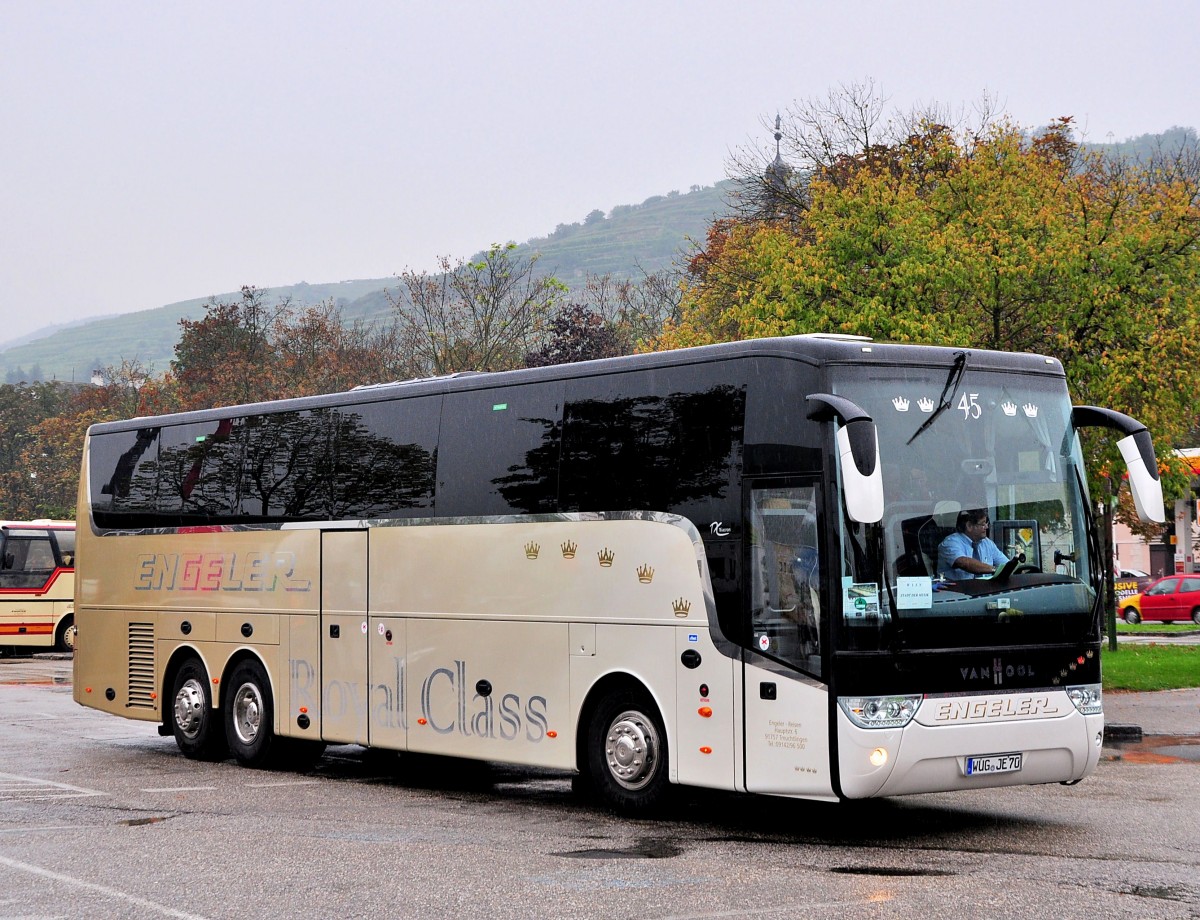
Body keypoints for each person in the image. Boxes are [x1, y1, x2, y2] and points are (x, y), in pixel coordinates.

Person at [937, 509, 1009, 581]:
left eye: (986, 523)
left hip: (985, 590)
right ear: (969, 526)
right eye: (983, 524)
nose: (986, 527)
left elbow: (1006, 565)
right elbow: (964, 563)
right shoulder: (951, 542)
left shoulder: (987, 543)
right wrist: (994, 569)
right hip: (957, 590)